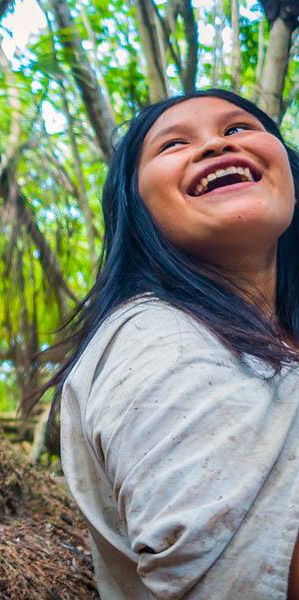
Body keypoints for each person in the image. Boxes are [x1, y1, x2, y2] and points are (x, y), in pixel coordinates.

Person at [46, 89, 299, 599]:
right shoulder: (154, 339)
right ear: (136, 210)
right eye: (173, 145)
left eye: (237, 129)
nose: (214, 146)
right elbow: (242, 579)